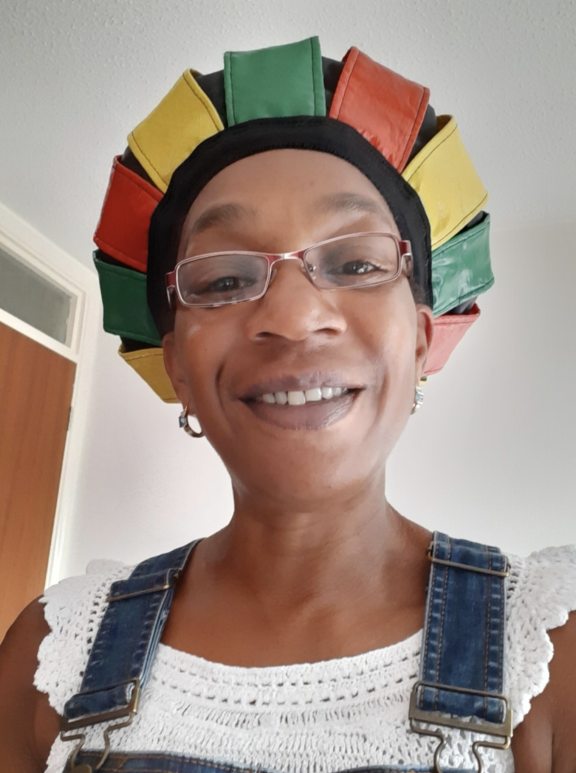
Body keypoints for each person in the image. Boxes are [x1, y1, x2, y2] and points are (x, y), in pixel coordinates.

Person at [1, 37, 575, 773]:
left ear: (423, 339)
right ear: (175, 360)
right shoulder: (50, 655)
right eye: (225, 278)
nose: (296, 315)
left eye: (358, 262)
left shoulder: (549, 656)